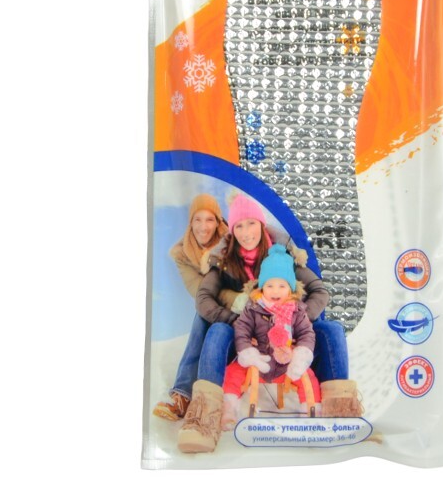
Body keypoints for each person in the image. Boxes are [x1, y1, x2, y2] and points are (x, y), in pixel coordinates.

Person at [177, 193, 358, 454]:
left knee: (332, 329)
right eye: (239, 226)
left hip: (289, 336)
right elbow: (203, 297)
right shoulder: (226, 260)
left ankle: (340, 413)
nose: (245, 232)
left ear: (262, 226)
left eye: (251, 223)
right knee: (216, 329)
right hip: (248, 339)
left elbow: (320, 291)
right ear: (232, 230)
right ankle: (204, 419)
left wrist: (295, 318)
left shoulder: (282, 257)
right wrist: (235, 321)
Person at [221, 244, 322, 430]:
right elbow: (242, 329)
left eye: (282, 286)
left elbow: (307, 333)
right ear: (262, 287)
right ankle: (228, 409)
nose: (275, 291)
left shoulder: (297, 311)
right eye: (270, 285)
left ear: (290, 289)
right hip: (258, 360)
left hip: (286, 362)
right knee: (232, 373)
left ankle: (310, 411)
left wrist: (300, 354)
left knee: (308, 377)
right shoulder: (253, 308)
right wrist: (248, 352)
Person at [151, 194, 228, 421]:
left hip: (240, 309)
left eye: (210, 219)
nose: (203, 227)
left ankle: (185, 396)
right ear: (190, 222)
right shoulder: (182, 253)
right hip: (213, 310)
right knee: (203, 314)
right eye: (197, 219)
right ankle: (184, 397)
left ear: (218, 222)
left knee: (204, 316)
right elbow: (200, 292)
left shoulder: (231, 241)